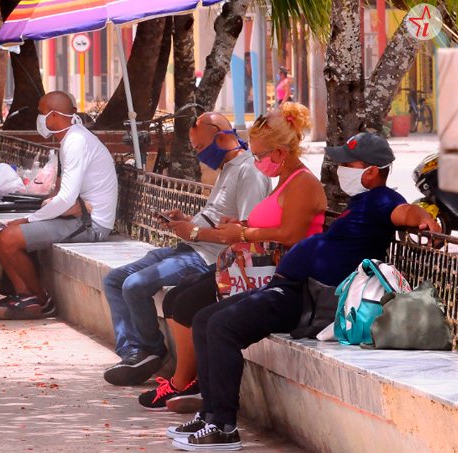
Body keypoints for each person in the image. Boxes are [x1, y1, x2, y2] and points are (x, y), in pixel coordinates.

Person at [170, 132, 440, 451]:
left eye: (347, 163)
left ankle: (225, 427)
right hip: (289, 288)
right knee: (204, 319)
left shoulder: (383, 199)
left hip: (303, 298)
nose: (340, 169)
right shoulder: (362, 202)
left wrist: (425, 220)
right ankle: (210, 415)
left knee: (221, 327)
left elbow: (406, 213)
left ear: (370, 171)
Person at [137, 103, 327, 411]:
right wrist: (240, 227)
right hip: (256, 269)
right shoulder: (286, 180)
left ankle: (216, 416)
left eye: (260, 155)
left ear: (280, 152)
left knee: (209, 320)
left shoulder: (303, 182)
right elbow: (268, 225)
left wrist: (239, 234)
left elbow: (290, 234)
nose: (257, 161)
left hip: (281, 281)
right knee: (191, 310)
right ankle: (207, 407)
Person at [102, 113, 271, 387]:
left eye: (201, 148)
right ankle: (133, 352)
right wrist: (187, 221)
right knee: (114, 280)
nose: (199, 156)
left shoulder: (249, 171)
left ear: (223, 137)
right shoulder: (227, 168)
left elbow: (244, 233)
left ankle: (152, 351)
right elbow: (217, 216)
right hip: (190, 246)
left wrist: (193, 231)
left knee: (135, 285)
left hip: (209, 258)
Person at [0, 91, 118, 320]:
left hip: (92, 225)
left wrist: (29, 219)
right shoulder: (71, 138)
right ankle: (24, 296)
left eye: (41, 113)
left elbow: (67, 198)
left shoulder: (76, 141)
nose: (39, 118)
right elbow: (64, 194)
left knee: (9, 237)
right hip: (77, 216)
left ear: (55, 115)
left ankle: (42, 301)